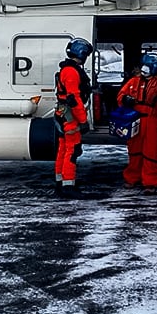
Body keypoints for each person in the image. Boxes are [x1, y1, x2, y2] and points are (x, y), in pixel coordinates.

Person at [117, 53, 157, 194]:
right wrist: (125, 100)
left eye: (147, 66)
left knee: (152, 153)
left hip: (154, 122)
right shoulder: (134, 81)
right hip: (136, 120)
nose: (143, 69)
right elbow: (120, 95)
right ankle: (132, 178)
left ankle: (151, 182)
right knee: (134, 151)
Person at [53, 37, 93, 198]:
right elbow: (74, 98)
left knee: (63, 150)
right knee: (72, 150)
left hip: (63, 114)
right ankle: (68, 185)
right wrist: (83, 121)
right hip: (71, 117)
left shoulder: (67, 69)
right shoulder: (71, 71)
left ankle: (61, 182)